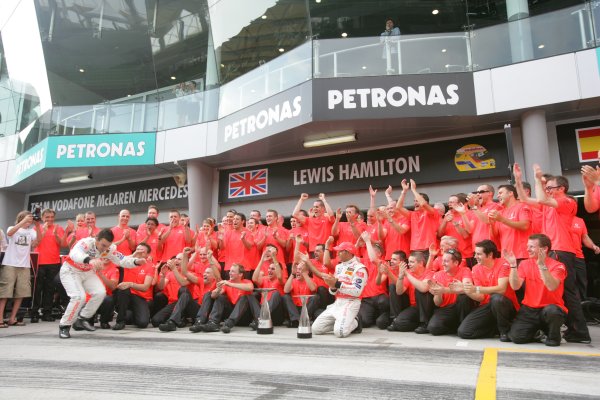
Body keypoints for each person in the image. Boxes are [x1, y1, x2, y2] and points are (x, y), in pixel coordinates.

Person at [515, 163, 591, 344]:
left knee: (569, 294)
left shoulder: (567, 201)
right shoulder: (548, 206)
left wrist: (537, 180)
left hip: (561, 250)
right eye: (546, 187)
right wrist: (518, 180)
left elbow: (541, 199)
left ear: (561, 189)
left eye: (550, 187)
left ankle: (579, 331)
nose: (546, 190)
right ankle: (574, 330)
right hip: (554, 250)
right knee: (564, 293)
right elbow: (525, 199)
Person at [58, 228, 147, 338]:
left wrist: (136, 261)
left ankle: (82, 318)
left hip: (87, 272)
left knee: (100, 292)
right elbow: (74, 254)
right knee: (78, 297)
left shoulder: (109, 248)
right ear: (96, 239)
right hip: (71, 271)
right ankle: (64, 326)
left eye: (107, 246)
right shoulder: (85, 243)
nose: (104, 249)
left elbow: (122, 260)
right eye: (103, 245)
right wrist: (89, 260)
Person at [507, 234, 568, 346]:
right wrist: (513, 266)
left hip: (550, 308)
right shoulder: (524, 264)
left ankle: (554, 335)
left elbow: (552, 286)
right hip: (529, 309)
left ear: (544, 249)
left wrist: (541, 265)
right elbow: (515, 286)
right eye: (527, 246)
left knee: (552, 312)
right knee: (516, 338)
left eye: (531, 247)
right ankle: (540, 333)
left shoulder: (558, 266)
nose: (527, 249)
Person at [457, 240, 519, 341]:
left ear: (490, 255)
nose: (475, 257)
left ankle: (505, 331)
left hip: (505, 305)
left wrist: (476, 289)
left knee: (496, 298)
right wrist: (466, 289)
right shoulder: (476, 268)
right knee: (464, 332)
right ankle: (495, 330)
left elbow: (501, 289)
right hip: (488, 305)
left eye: (479, 254)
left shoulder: (504, 264)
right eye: (475, 253)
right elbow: (480, 296)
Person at [312, 242, 367, 338]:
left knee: (340, 333)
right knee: (315, 329)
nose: (337, 254)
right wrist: (332, 287)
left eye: (340, 251)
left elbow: (357, 292)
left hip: (351, 302)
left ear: (348, 252)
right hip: (337, 303)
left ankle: (356, 321)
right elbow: (333, 290)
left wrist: (337, 284)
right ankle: (342, 321)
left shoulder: (360, 268)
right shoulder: (339, 267)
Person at [0, 211, 41, 328]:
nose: (29, 221)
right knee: (5, 292)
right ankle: (0, 319)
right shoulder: (13, 227)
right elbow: (9, 233)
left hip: (24, 265)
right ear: (21, 218)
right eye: (27, 219)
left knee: (21, 292)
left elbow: (38, 241)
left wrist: (37, 226)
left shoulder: (31, 231)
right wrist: (22, 222)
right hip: (10, 263)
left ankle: (12, 318)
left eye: (30, 219)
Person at [426, 249, 474, 335]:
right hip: (446, 309)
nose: (443, 264)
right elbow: (437, 303)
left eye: (446, 261)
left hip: (461, 307)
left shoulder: (465, 270)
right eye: (442, 261)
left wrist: (444, 289)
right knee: (433, 328)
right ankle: (454, 327)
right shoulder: (438, 275)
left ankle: (463, 325)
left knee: (463, 296)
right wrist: (439, 293)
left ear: (456, 263)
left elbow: (467, 287)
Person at [31, 208, 65, 322]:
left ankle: (47, 313)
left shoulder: (59, 228)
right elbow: (35, 243)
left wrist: (56, 234)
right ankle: (34, 313)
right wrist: (43, 231)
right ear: (42, 218)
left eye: (51, 217)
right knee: (37, 289)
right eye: (47, 217)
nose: (50, 219)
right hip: (39, 262)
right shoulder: (36, 227)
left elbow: (62, 244)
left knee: (50, 289)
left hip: (54, 262)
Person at [201, 263, 254, 333]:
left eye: (233, 271)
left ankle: (229, 323)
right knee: (220, 298)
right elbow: (213, 296)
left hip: (244, 317)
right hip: (230, 316)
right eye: (230, 271)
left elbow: (250, 288)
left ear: (240, 274)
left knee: (244, 298)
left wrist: (230, 284)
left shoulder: (246, 282)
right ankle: (213, 323)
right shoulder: (226, 283)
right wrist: (218, 289)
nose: (230, 273)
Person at [112, 243, 154, 330]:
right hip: (126, 294)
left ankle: (131, 314)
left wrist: (130, 284)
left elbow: (145, 287)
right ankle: (120, 321)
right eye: (137, 249)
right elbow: (119, 262)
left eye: (142, 251)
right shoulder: (128, 261)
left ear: (147, 255)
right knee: (123, 290)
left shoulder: (150, 266)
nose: (139, 252)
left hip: (139, 296)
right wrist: (134, 255)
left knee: (142, 323)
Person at [388, 251, 428, 332]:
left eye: (412, 262)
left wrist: (406, 274)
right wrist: (401, 277)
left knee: (419, 289)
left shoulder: (429, 273)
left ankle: (424, 323)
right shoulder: (409, 273)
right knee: (399, 323)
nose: (409, 264)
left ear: (420, 263)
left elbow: (423, 288)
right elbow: (399, 292)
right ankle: (396, 320)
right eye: (409, 261)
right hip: (414, 307)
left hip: (426, 308)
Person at [282, 261, 317, 328]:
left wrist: (304, 274)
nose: (297, 271)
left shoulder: (311, 280)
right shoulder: (293, 280)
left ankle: (300, 320)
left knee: (315, 297)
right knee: (286, 297)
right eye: (297, 269)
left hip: (306, 308)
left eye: (300, 269)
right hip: (295, 309)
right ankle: (297, 320)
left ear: (307, 272)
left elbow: (313, 289)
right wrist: (292, 274)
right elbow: (286, 290)